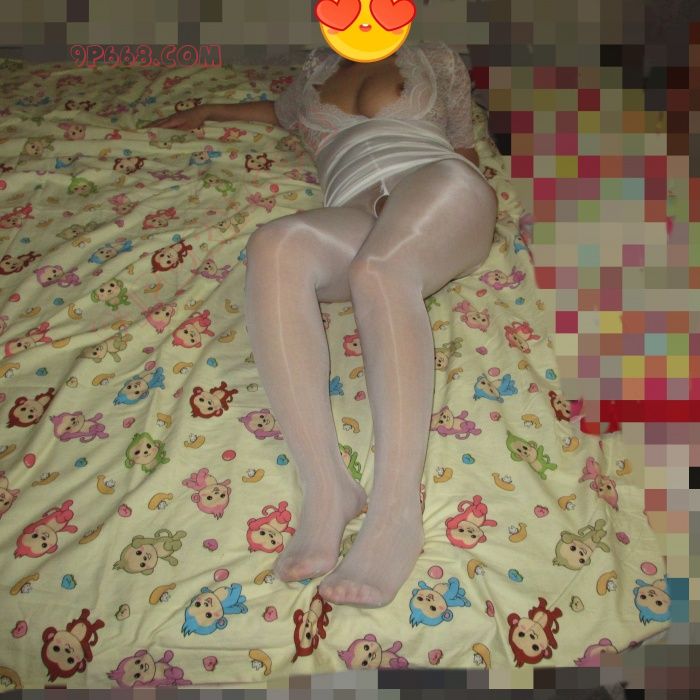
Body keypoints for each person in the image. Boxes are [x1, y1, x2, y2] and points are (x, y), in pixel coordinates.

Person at [147, 40, 498, 609]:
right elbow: (279, 113)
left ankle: (395, 512)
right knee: (274, 244)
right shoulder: (316, 67)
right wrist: (209, 110)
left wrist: (461, 222)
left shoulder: (434, 57)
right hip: (354, 209)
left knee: (379, 272)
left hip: (440, 186)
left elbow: (463, 142)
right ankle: (327, 485)